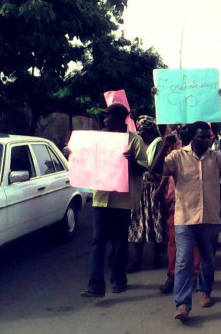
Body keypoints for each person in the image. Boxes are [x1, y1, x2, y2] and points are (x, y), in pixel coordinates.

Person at [151, 121, 221, 322]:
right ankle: (182, 304)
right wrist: (165, 146)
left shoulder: (217, 157)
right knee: (183, 261)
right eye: (202, 137)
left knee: (208, 259)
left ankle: (204, 290)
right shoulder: (177, 156)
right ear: (192, 137)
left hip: (210, 217)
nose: (207, 140)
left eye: (209, 137)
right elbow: (156, 169)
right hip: (185, 217)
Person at [80, 103, 148, 298]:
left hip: (123, 201)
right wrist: (75, 154)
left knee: (119, 243)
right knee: (97, 242)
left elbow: (144, 168)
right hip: (101, 199)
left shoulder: (134, 141)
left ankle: (118, 280)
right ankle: (95, 286)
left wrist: (132, 161)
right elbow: (87, 161)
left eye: (108, 116)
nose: (104, 119)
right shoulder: (100, 140)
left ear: (119, 119)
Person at [155, 129, 201, 294]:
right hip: (176, 202)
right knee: (173, 242)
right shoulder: (173, 150)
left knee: (195, 242)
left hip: (197, 203)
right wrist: (161, 190)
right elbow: (162, 172)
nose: (181, 131)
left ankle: (195, 275)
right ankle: (173, 276)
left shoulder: (203, 152)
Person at [126, 116, 166, 272]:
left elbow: (158, 169)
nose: (138, 132)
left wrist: (159, 189)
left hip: (153, 188)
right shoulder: (137, 144)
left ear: (148, 130)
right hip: (138, 188)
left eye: (141, 129)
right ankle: (136, 261)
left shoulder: (159, 144)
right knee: (136, 224)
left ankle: (157, 258)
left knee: (156, 223)